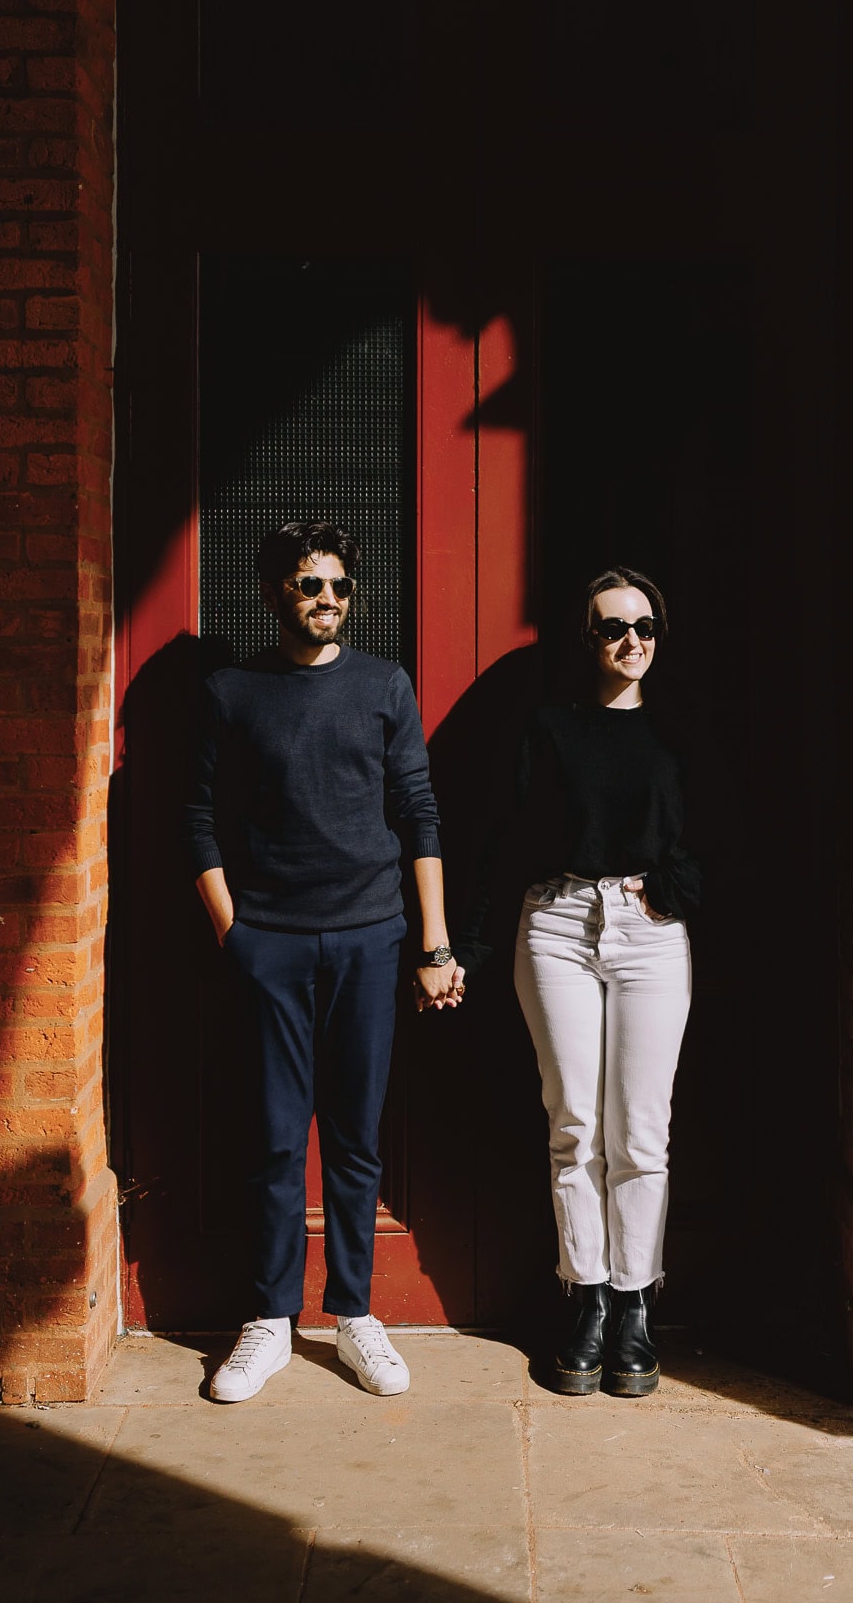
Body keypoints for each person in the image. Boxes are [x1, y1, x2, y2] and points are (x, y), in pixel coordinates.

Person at [187, 519, 463, 1403]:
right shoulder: (232, 691)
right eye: (310, 586)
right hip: (270, 941)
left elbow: (419, 812)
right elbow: (195, 814)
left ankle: (353, 1314)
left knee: (352, 1136)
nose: (328, 601)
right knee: (273, 1138)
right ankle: (269, 1319)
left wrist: (433, 943)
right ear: (276, 594)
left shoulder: (383, 685)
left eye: (340, 587)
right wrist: (236, 930)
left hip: (370, 936)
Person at [456, 567, 700, 1398]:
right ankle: (586, 1297)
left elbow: (724, 835)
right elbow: (499, 833)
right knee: (575, 1125)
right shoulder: (549, 728)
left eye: (645, 625)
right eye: (611, 627)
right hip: (557, 924)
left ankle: (635, 1304)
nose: (631, 640)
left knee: (640, 1132)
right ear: (585, 640)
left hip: (650, 936)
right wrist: (466, 947)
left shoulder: (683, 730)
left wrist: (666, 891)